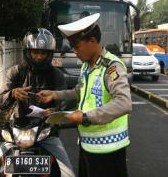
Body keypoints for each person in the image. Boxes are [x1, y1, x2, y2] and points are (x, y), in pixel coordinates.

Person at [37, 13, 132, 177]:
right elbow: (80, 91)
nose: (74, 51)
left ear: (93, 41)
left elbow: (124, 103)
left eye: (76, 45)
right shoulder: (87, 66)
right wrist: (55, 95)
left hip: (108, 151)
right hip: (88, 146)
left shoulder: (112, 67)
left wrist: (85, 117)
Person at [0, 28, 75, 177]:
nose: (39, 56)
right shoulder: (16, 72)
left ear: (49, 54)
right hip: (17, 130)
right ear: (28, 52)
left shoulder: (57, 76)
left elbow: (63, 102)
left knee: (68, 173)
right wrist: (12, 94)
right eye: (35, 52)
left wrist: (57, 111)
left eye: (43, 53)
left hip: (46, 131)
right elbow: (0, 102)